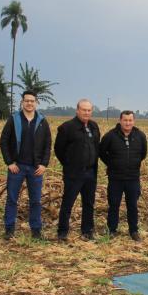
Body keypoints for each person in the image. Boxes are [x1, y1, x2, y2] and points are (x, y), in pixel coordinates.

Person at [0, 90, 52, 240]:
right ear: (22, 102)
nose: (29, 103)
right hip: (18, 167)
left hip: (35, 168)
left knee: (35, 200)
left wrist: (44, 164)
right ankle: (9, 229)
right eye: (27, 100)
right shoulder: (14, 119)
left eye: (32, 101)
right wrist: (9, 162)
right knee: (12, 199)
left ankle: (36, 230)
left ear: (36, 103)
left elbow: (48, 144)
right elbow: (4, 141)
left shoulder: (42, 121)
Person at [54, 99, 100, 241]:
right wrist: (69, 164)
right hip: (74, 173)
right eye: (84, 110)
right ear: (77, 110)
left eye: (89, 110)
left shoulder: (93, 126)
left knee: (88, 203)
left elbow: (96, 146)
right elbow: (59, 150)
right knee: (68, 202)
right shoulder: (67, 127)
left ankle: (87, 231)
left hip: (90, 172)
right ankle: (62, 232)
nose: (87, 112)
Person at [98, 110, 148, 241]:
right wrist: (112, 163)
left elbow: (143, 153)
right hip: (115, 178)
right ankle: (112, 229)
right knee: (114, 204)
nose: (128, 123)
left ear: (134, 121)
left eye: (130, 120)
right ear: (120, 120)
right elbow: (102, 152)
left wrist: (134, 163)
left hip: (133, 178)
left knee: (132, 205)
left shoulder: (140, 136)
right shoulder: (110, 136)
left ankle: (133, 231)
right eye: (125, 120)